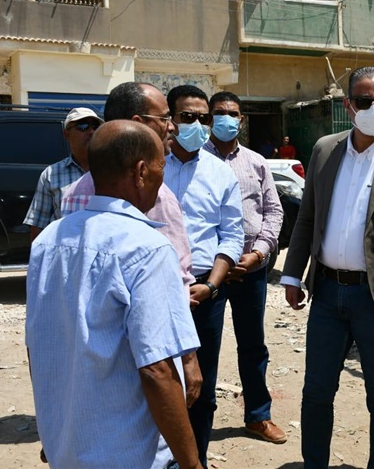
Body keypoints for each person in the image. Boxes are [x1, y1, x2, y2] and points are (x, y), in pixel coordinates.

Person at [281, 66, 374, 469]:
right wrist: (292, 274)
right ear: (348, 105)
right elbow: (307, 218)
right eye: (364, 101)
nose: (373, 108)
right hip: (327, 293)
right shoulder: (324, 150)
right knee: (317, 391)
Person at [26, 120, 202, 469]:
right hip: (128, 454)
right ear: (141, 172)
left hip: (67, 450)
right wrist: (192, 464)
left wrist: (52, 427)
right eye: (161, 167)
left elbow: (38, 345)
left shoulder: (48, 241)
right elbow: (157, 370)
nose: (162, 178)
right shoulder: (147, 248)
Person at [165, 84, 245, 468]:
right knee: (156, 377)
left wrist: (212, 284)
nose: (197, 125)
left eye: (204, 118)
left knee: (201, 384)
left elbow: (232, 235)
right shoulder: (150, 167)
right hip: (154, 288)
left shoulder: (220, 173)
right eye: (188, 117)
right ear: (170, 120)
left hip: (204, 292)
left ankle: (196, 459)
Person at [204, 91, 287, 443]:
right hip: (206, 274)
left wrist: (260, 252)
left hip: (250, 271)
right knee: (203, 349)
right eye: (219, 112)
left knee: (253, 345)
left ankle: (258, 416)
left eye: (233, 113)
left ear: (241, 120)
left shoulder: (257, 162)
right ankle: (197, 424)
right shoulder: (194, 160)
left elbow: (274, 211)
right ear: (209, 118)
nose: (227, 118)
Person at [61, 82, 196, 293]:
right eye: (164, 118)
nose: (171, 127)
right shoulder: (156, 196)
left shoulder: (73, 191)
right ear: (138, 123)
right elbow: (174, 278)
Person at [23, 107, 103, 240]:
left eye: (95, 126)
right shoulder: (51, 174)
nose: (91, 131)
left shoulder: (112, 170)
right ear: (66, 134)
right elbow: (38, 225)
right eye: (83, 126)